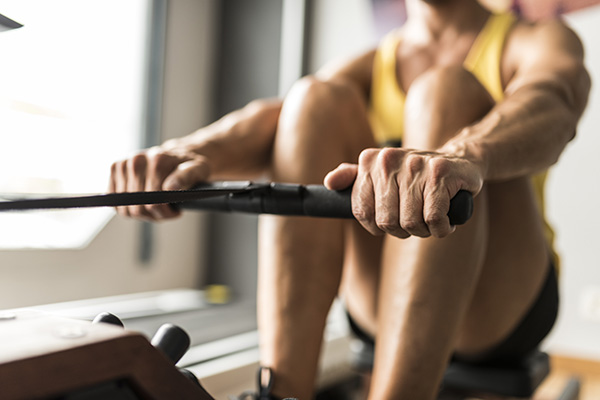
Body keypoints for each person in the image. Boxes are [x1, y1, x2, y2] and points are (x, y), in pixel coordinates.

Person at [109, 0, 590, 398]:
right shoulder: (374, 63)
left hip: (501, 306)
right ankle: (281, 393)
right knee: (312, 99)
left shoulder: (534, 38)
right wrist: (185, 154)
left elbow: (552, 100)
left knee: (445, 92)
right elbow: (274, 123)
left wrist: (464, 155)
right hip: (382, 305)